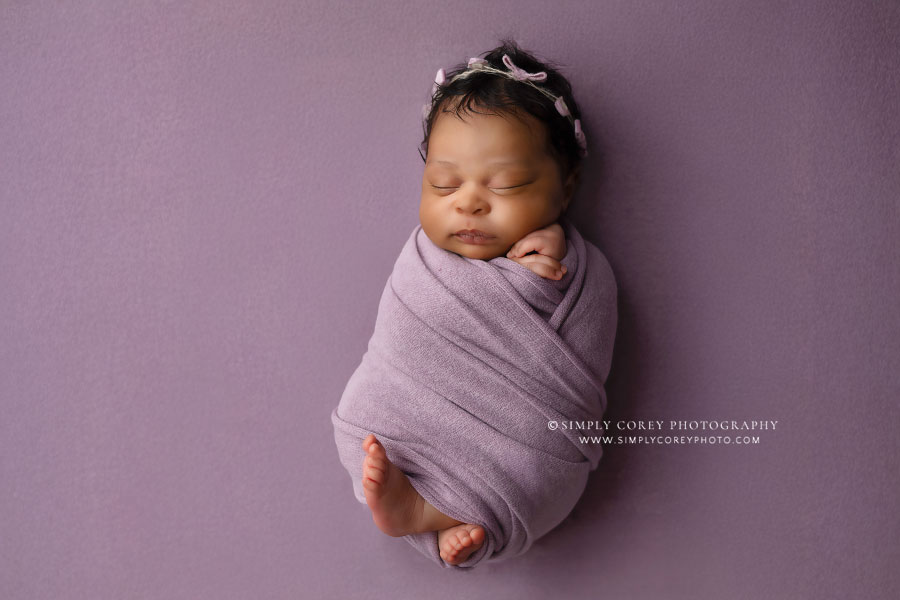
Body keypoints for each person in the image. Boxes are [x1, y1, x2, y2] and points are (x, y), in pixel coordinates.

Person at [358, 39, 590, 566]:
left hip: (529, 448)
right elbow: (404, 343)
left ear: (567, 187)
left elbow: (578, 341)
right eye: (443, 185)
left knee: (542, 467)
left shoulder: (576, 268)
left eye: (506, 185)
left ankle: (434, 511)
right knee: (368, 437)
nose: (468, 202)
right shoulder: (422, 265)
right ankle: (431, 509)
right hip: (410, 428)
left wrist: (546, 276)